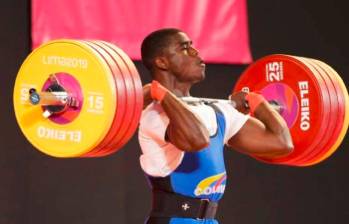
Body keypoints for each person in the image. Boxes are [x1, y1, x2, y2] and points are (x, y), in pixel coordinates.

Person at [138, 28, 294, 224]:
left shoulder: (218, 110)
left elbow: (281, 143)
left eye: (193, 46)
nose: (196, 53)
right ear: (162, 62)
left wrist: (257, 102)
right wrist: (161, 94)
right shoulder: (154, 115)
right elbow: (196, 140)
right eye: (185, 48)